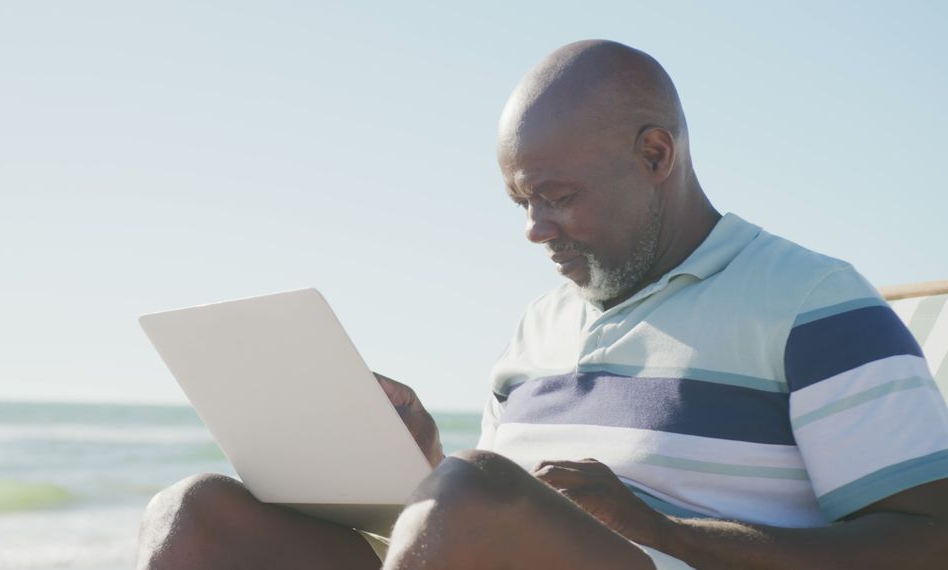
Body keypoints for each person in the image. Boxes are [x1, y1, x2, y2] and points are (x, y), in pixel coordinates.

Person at [136, 40, 948, 569]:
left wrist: (664, 530)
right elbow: (492, 526)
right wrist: (416, 465)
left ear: (656, 153)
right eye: (521, 202)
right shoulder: (541, 326)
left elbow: (929, 540)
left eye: (557, 197)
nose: (535, 230)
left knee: (472, 491)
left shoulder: (811, 302)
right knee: (200, 514)